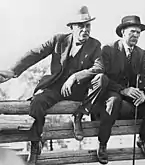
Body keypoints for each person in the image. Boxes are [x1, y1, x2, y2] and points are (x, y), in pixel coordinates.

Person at [0, 6, 107, 165]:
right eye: (81, 26)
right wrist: (13, 71)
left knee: (101, 79)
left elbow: (99, 68)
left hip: (78, 91)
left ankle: (78, 115)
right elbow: (35, 53)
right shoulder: (59, 40)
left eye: (88, 26)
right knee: (37, 103)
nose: (85, 30)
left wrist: (75, 76)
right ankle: (35, 144)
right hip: (55, 88)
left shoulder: (95, 45)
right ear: (71, 27)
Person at [96, 15, 145, 164]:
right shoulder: (108, 49)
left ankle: (144, 140)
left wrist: (144, 93)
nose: (136, 35)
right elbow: (102, 78)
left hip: (132, 98)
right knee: (114, 100)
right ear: (123, 32)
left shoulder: (141, 53)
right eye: (132, 31)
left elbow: (144, 78)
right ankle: (102, 144)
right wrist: (123, 90)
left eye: (138, 33)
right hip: (112, 94)